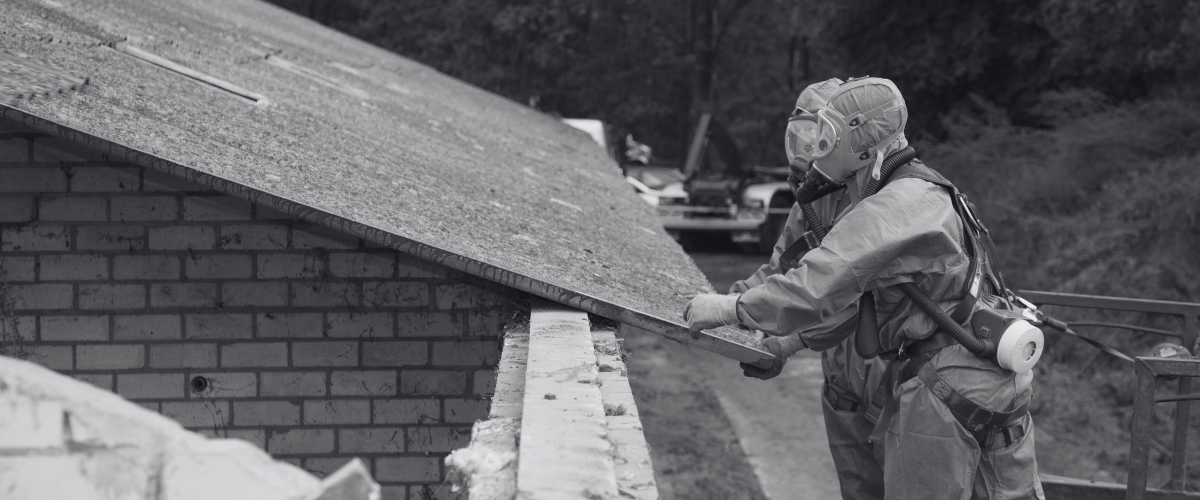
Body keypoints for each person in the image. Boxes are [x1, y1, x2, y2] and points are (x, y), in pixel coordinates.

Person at [685, 77, 1043, 499]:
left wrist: (731, 310)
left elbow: (820, 285)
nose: (816, 152)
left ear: (859, 142)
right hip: (994, 376)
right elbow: (801, 272)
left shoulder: (892, 207)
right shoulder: (918, 188)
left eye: (827, 137)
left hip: (941, 388)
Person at [728, 77, 886, 500]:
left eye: (816, 139)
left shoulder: (881, 200)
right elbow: (782, 267)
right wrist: (729, 304)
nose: (804, 153)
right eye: (797, 137)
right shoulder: (813, 201)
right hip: (843, 383)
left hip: (892, 371)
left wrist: (789, 342)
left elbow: (855, 298)